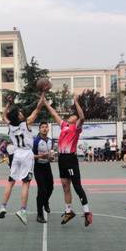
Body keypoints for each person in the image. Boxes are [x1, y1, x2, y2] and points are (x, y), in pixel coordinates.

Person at [45, 94, 93, 227]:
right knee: (65, 186)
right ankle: (68, 211)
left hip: (71, 159)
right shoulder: (64, 125)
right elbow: (54, 114)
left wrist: (76, 102)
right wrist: (45, 103)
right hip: (61, 159)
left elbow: (82, 117)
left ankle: (87, 212)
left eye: (73, 115)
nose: (71, 116)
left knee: (77, 186)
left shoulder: (76, 127)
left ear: (75, 120)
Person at [0, 94, 45, 225]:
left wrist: (8, 104)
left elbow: (4, 116)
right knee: (26, 183)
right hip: (27, 155)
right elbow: (38, 108)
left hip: (17, 154)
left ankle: (3, 206)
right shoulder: (26, 123)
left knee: (10, 182)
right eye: (19, 112)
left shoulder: (10, 126)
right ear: (18, 116)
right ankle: (22, 210)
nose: (21, 113)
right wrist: (43, 94)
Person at [33, 121, 54, 223]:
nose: (45, 129)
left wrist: (51, 158)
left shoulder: (50, 141)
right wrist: (42, 156)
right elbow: (31, 156)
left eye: (46, 127)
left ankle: (45, 202)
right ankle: (39, 214)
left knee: (50, 187)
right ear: (39, 129)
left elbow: (50, 154)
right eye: (42, 127)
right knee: (42, 191)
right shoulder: (35, 141)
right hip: (38, 167)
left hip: (47, 166)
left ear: (48, 129)